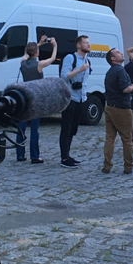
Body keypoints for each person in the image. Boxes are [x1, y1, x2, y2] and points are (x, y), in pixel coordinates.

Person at [16, 35, 58, 163]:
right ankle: (35, 156)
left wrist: (37, 45)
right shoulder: (39, 65)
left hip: (24, 98)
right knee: (34, 129)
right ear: (37, 53)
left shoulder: (23, 62)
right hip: (36, 99)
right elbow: (52, 58)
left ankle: (20, 154)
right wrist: (54, 46)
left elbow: (27, 54)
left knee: (21, 128)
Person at [102, 48, 133, 174]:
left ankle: (107, 165)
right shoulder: (120, 70)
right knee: (127, 139)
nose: (121, 53)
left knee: (110, 138)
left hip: (110, 107)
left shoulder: (109, 72)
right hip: (122, 108)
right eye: (118, 53)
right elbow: (125, 89)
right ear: (113, 58)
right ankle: (128, 166)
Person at [59, 35, 92, 168]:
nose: (89, 45)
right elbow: (64, 76)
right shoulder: (70, 58)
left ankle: (68, 154)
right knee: (66, 128)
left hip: (81, 98)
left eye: (89, 43)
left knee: (73, 128)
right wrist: (79, 69)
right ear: (78, 45)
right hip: (69, 98)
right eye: (86, 43)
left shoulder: (87, 60)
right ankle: (64, 158)